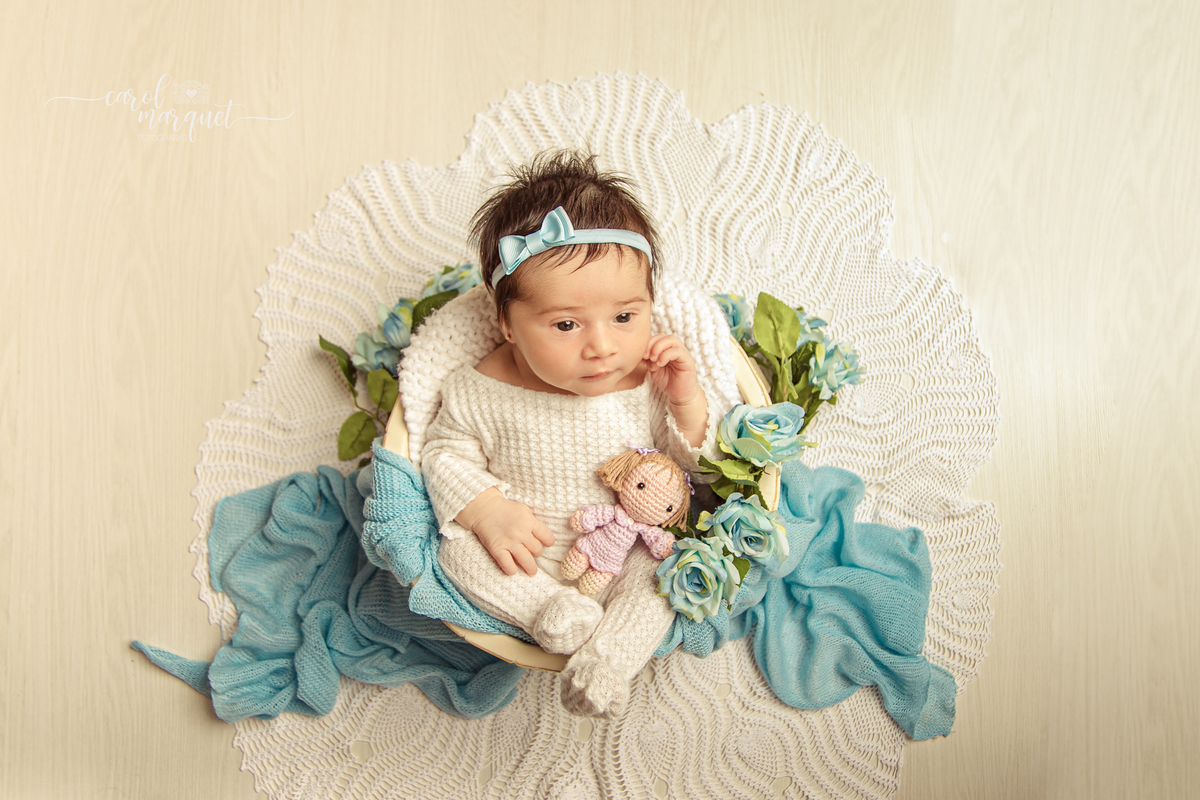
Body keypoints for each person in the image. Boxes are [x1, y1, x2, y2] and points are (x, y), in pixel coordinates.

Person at [417, 151, 726, 718]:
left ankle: (605, 664)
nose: (602, 346)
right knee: (457, 552)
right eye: (565, 324)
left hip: (629, 546)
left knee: (664, 575)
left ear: (650, 307)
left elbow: (694, 473)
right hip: (524, 555)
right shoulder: (479, 387)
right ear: (508, 323)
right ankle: (549, 614)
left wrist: (685, 399)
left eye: (625, 317)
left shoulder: (647, 381)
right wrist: (486, 510)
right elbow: (443, 452)